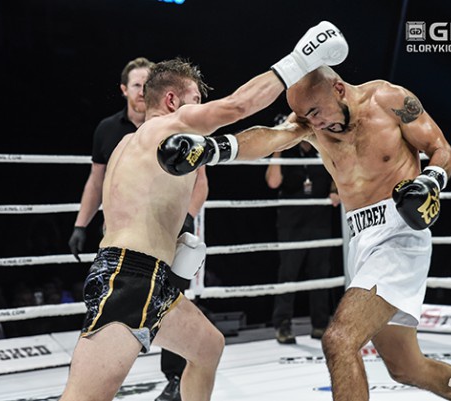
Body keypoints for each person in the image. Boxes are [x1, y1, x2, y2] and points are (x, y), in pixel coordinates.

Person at [158, 65, 451, 399]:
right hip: (361, 240)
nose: (314, 124)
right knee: (407, 367)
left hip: (398, 236)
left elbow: (442, 150)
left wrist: (430, 181)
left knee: (339, 341)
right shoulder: (310, 121)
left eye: (316, 112)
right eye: (306, 116)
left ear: (339, 89)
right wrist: (214, 149)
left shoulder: (389, 99)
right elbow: (270, 137)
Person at [59, 21, 348, 401]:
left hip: (150, 276)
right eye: (195, 100)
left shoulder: (131, 144)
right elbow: (239, 106)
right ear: (171, 100)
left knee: (208, 347)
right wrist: (300, 60)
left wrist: (299, 130)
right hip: (129, 280)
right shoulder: (170, 125)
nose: (201, 111)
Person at [68, 57, 155, 262]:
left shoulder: (170, 127)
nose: (142, 92)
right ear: (124, 89)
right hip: (117, 231)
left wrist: (188, 217)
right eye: (136, 85)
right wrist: (80, 225)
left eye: (147, 86)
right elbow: (96, 181)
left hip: (160, 227)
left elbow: (196, 177)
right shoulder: (107, 129)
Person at [265, 140, 338, 344]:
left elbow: (337, 173)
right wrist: (277, 150)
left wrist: (335, 190)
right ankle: (282, 325)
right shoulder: (286, 151)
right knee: (288, 273)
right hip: (291, 221)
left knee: (320, 273)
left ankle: (320, 324)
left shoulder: (323, 148)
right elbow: (273, 182)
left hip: (319, 218)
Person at [156, 166, 209, 401]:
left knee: (173, 300)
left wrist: (189, 215)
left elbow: (201, 179)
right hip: (138, 226)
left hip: (177, 226)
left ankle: (175, 378)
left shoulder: (186, 143)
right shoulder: (121, 144)